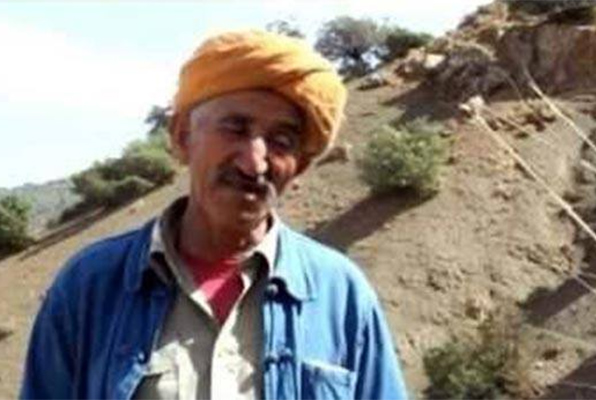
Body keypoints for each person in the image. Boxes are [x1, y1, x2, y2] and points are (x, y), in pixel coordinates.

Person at [21, 30, 408, 400]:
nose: (254, 162)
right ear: (182, 137)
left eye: (281, 141)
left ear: (300, 166)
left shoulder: (340, 295)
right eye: (235, 128)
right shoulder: (92, 285)